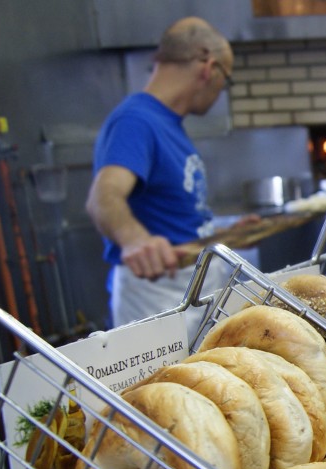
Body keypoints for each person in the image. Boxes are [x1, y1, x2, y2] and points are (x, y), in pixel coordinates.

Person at [86, 17, 254, 329]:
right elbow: (103, 196)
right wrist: (135, 239)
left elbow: (172, 218)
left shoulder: (167, 124)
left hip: (189, 289)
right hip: (159, 297)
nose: (221, 91)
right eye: (226, 80)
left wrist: (227, 234)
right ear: (208, 66)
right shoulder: (136, 121)